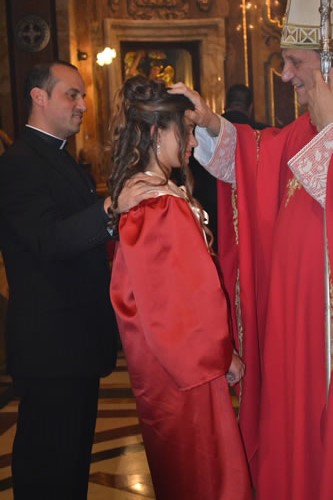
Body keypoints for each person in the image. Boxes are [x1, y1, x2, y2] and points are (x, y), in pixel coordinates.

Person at [166, 1, 333, 499]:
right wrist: (213, 122)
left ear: (328, 60)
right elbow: (252, 161)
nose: (285, 76)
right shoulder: (301, 133)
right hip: (292, 340)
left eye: (295, 62)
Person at [0, 60, 155, 499]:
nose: (83, 105)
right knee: (47, 471)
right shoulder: (19, 164)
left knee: (69, 471)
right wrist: (110, 208)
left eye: (82, 95)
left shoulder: (60, 158)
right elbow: (48, 239)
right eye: (72, 94)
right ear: (38, 97)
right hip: (51, 347)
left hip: (75, 346)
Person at [108, 75, 252, 500]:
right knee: (208, 479)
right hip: (187, 369)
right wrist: (221, 354)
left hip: (171, 365)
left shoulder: (150, 195)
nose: (192, 140)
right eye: (185, 129)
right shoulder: (157, 204)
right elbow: (180, 299)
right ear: (156, 131)